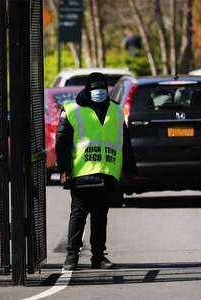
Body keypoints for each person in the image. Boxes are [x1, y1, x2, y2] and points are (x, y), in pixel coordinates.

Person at [55, 72, 137, 270]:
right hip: (81, 172)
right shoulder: (72, 109)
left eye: (102, 88)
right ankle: (71, 257)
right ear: (87, 89)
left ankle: (98, 257)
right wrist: (64, 169)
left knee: (101, 217)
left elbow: (124, 141)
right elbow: (62, 143)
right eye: (95, 88)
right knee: (79, 214)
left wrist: (130, 167)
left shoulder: (116, 111)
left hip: (107, 172)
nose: (99, 92)